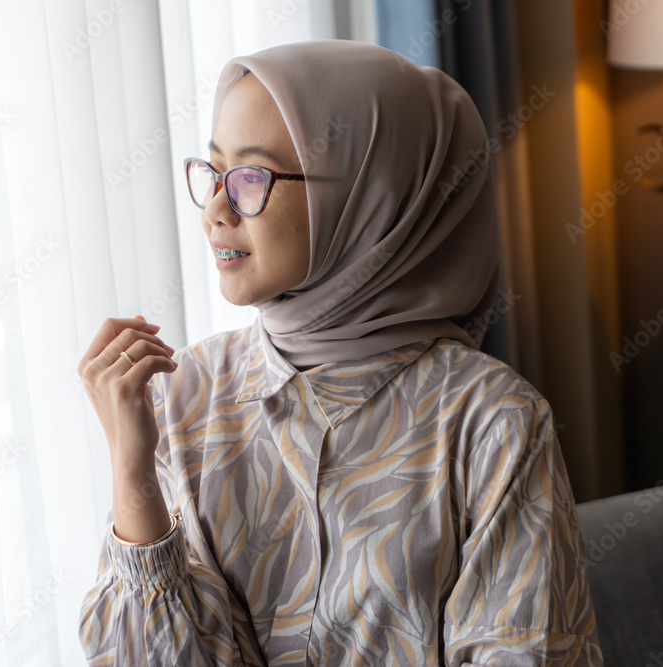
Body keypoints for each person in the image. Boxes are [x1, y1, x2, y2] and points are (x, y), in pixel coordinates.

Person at [77, 39, 604, 666]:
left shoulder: (492, 424)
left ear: (368, 194)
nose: (215, 210)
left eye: (250, 179)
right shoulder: (181, 392)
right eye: (214, 173)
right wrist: (131, 471)